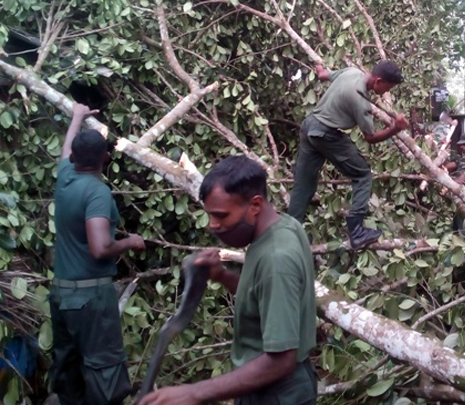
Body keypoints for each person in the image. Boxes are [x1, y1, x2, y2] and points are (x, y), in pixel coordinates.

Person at [139, 156, 317, 405]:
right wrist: (222, 276)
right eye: (210, 215)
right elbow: (263, 297)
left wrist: (193, 393)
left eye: (221, 216)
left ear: (255, 205)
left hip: (277, 392)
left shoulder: (277, 259)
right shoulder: (284, 226)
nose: (213, 225)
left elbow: (281, 359)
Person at [50, 103, 145, 405]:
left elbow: (65, 149)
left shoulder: (65, 176)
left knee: (68, 370)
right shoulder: (96, 192)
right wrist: (131, 241)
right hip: (91, 297)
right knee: (104, 372)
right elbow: (101, 247)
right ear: (106, 158)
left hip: (61, 292)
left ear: (75, 158)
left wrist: (77, 117)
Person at [287, 60, 409, 249]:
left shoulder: (351, 72)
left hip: (309, 126)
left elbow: (322, 75)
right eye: (387, 87)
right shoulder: (360, 100)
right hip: (326, 134)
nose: (386, 93)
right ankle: (357, 231)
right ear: (377, 81)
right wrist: (396, 129)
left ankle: (290, 234)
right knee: (363, 174)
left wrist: (319, 67)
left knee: (303, 185)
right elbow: (370, 137)